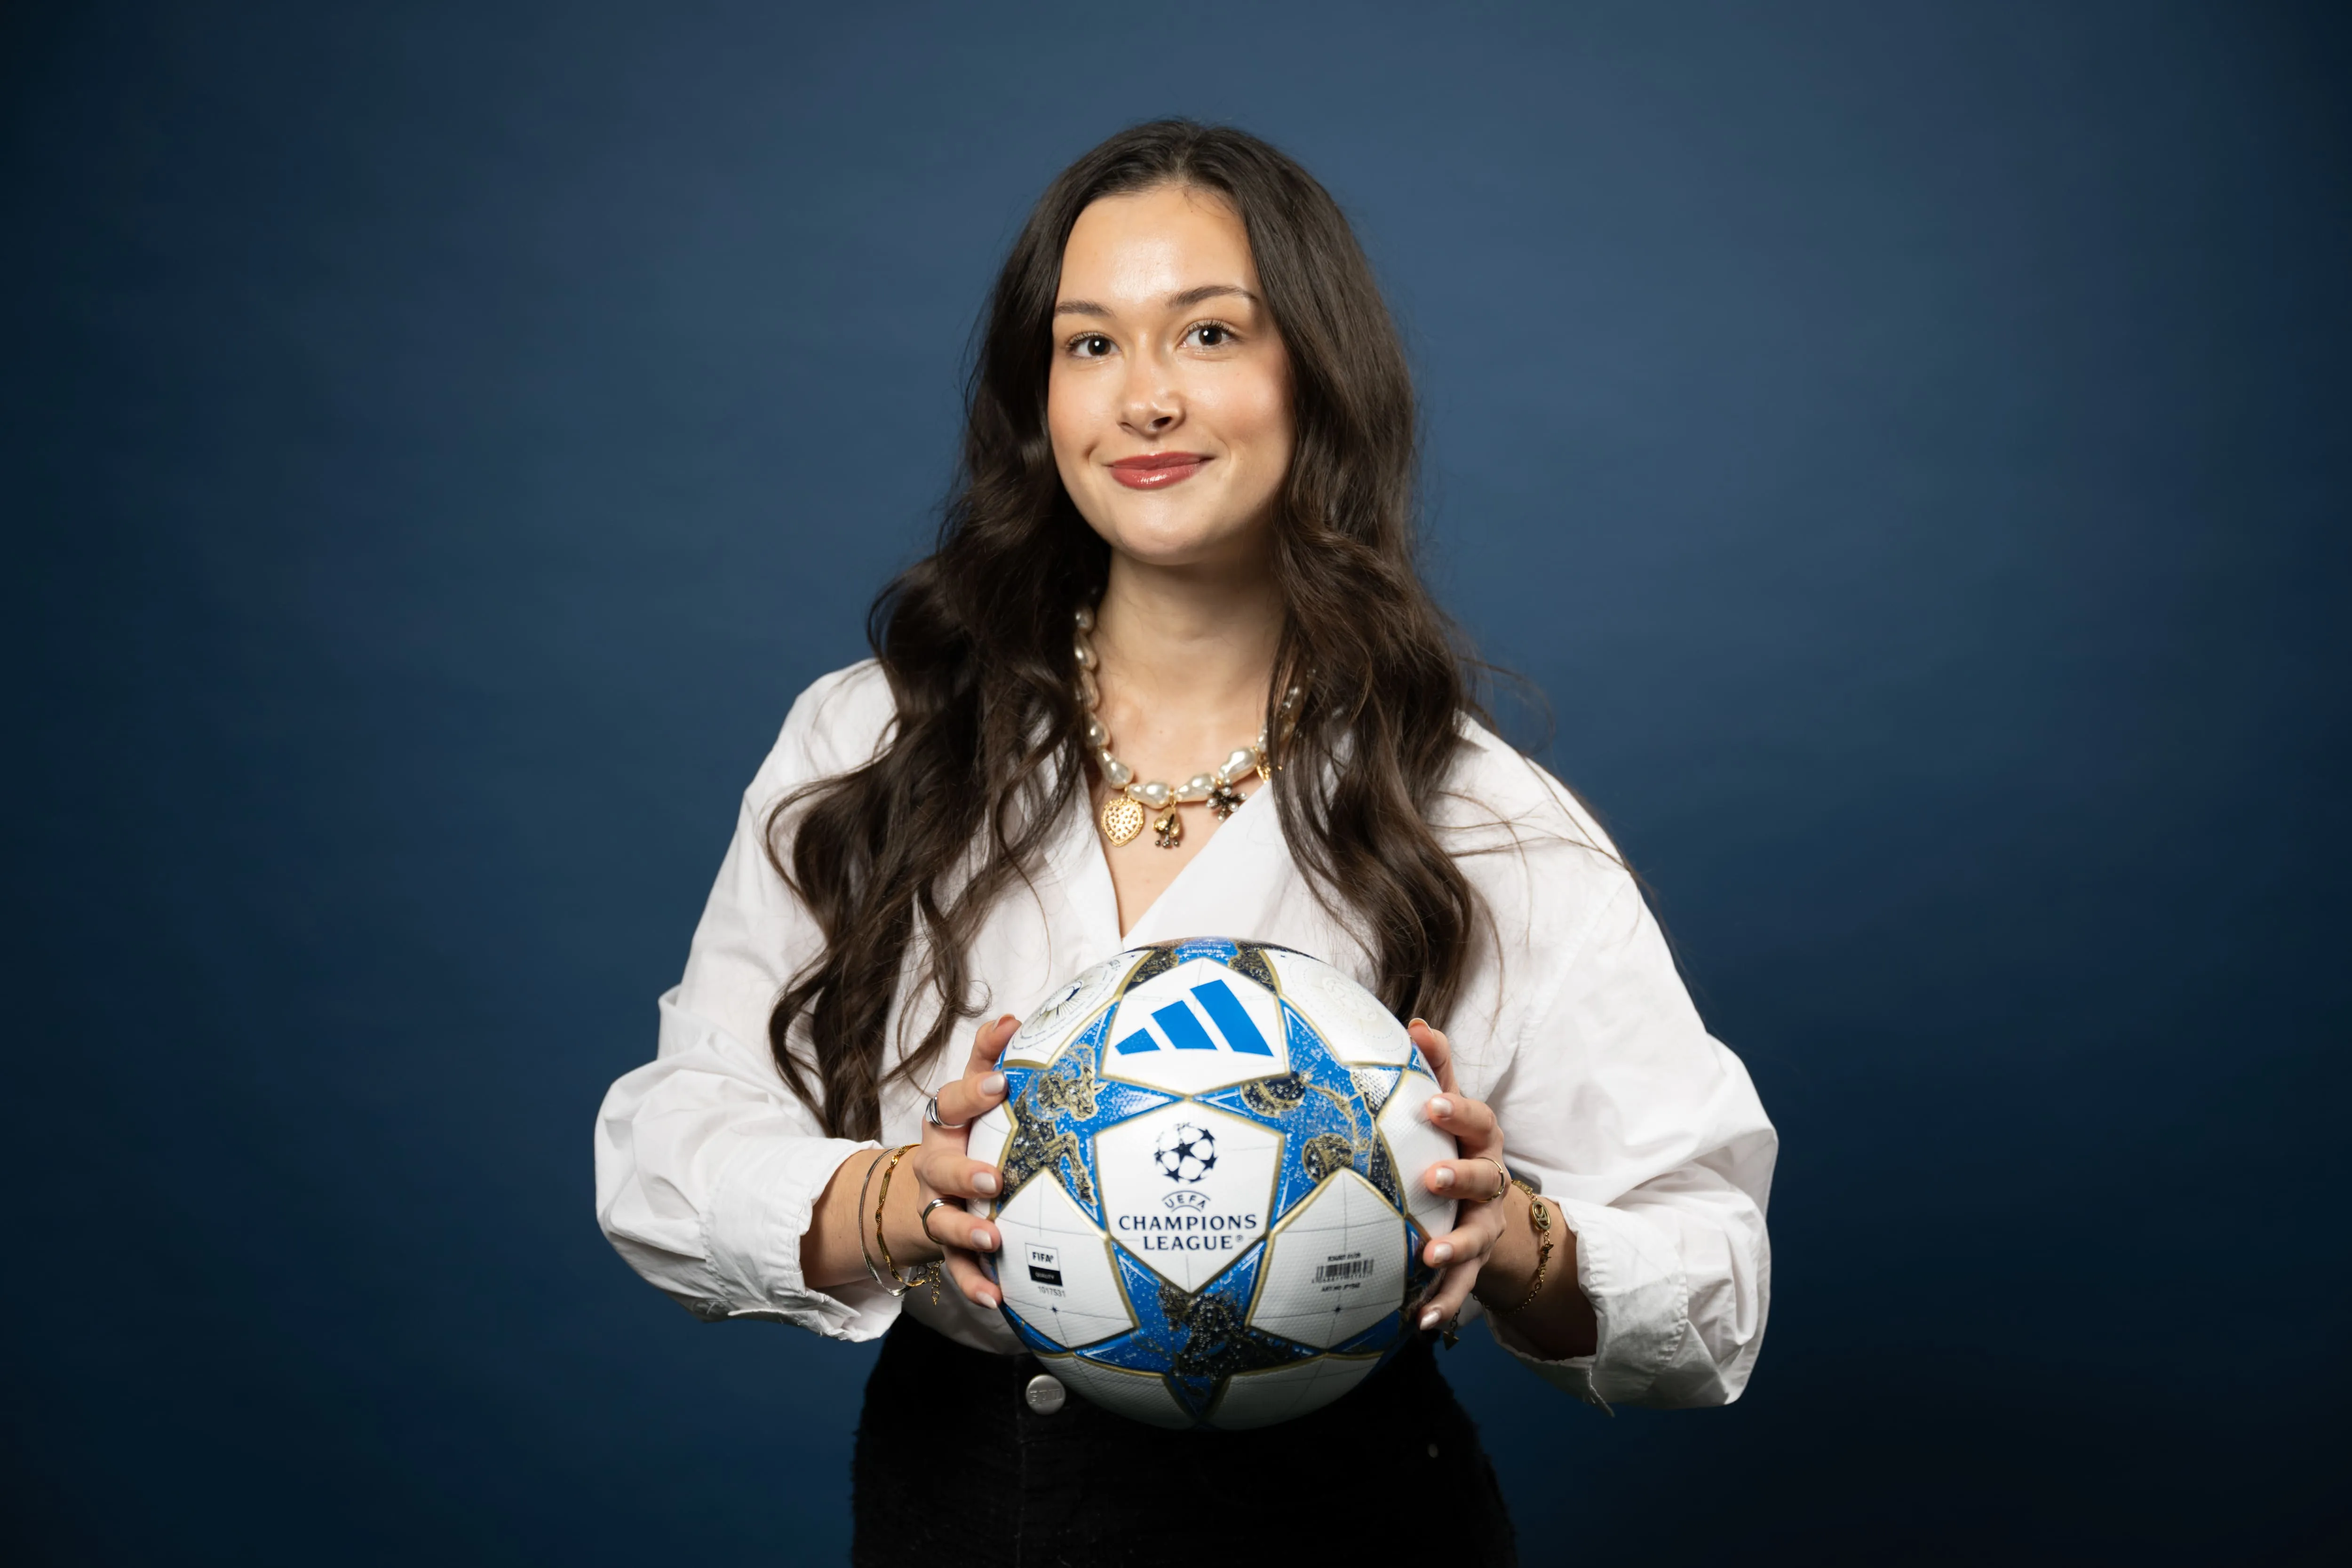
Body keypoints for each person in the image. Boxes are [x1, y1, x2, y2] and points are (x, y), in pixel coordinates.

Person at [594, 119, 1775, 1566]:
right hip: (965, 1507)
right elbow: (661, 1147)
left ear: (1315, 381)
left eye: (1209, 333)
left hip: (1352, 1526)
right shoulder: (873, 740)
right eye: (1091, 346)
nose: (1144, 397)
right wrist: (902, 1198)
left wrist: (1508, 1230)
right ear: (1043, 399)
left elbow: (1718, 1282)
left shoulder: (1473, 810)